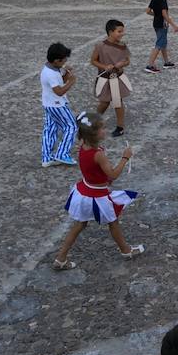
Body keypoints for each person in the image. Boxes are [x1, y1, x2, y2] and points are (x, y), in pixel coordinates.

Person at [52, 112, 143, 270]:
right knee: (113, 222)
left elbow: (95, 172)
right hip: (97, 195)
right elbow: (113, 174)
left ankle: (60, 258)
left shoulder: (83, 144)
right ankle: (126, 251)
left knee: (80, 224)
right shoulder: (98, 154)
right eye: (102, 128)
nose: (105, 131)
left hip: (84, 190)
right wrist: (125, 158)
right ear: (93, 133)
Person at [40, 42, 79, 168]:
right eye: (64, 60)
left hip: (48, 103)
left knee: (50, 129)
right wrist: (71, 82)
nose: (65, 61)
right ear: (56, 60)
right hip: (57, 104)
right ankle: (62, 153)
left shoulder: (52, 68)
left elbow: (59, 82)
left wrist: (67, 74)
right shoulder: (50, 73)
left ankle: (46, 157)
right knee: (71, 126)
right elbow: (59, 91)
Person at [92, 19, 132, 137]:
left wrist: (122, 64)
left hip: (116, 78)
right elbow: (93, 60)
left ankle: (120, 127)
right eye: (119, 31)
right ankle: (94, 121)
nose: (122, 33)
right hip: (104, 79)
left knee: (117, 102)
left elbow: (127, 61)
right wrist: (104, 66)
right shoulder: (100, 46)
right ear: (110, 32)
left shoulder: (123, 46)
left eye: (122, 31)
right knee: (104, 102)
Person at [145, 0, 178, 73]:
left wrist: (156, 15)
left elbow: (148, 11)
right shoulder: (163, 0)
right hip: (162, 25)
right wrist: (173, 25)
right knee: (159, 44)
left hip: (155, 24)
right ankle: (150, 65)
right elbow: (164, 14)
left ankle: (166, 62)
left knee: (163, 42)